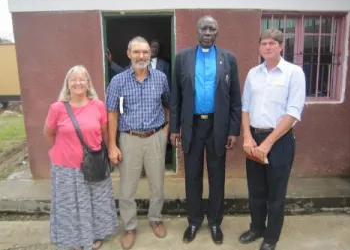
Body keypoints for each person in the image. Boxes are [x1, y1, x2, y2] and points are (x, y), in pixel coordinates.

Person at [169, 15, 242, 245]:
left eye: (212, 28)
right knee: (192, 176)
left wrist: (233, 130)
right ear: (196, 31)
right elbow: (176, 98)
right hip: (191, 125)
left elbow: (235, 99)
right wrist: (174, 128)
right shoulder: (182, 58)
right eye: (203, 28)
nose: (207, 32)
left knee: (216, 175)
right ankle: (193, 220)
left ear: (217, 32)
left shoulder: (228, 58)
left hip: (217, 126)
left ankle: (215, 222)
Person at [239, 29, 306, 250]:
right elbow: (245, 106)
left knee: (275, 194)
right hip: (254, 138)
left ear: (281, 47)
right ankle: (256, 227)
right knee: (256, 191)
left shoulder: (293, 73)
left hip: (280, 141)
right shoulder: (253, 73)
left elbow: (293, 112)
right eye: (264, 43)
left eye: (272, 43)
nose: (267, 47)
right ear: (259, 47)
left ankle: (270, 237)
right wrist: (248, 137)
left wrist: (268, 144)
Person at [43, 65, 117, 250]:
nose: (78, 83)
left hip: (94, 163)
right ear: (67, 84)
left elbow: (104, 132)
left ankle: (95, 236)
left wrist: (110, 151)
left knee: (96, 202)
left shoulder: (98, 106)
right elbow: (48, 134)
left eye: (82, 79)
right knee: (70, 206)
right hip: (66, 167)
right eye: (73, 79)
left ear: (88, 83)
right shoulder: (57, 108)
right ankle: (73, 239)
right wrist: (65, 150)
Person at [106, 36, 170, 250]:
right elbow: (112, 113)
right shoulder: (118, 81)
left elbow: (168, 104)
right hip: (129, 138)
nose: (141, 56)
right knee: (127, 188)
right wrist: (112, 145)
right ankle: (130, 226)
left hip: (155, 137)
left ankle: (156, 218)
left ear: (150, 54)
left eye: (145, 52)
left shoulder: (160, 78)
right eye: (136, 52)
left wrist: (166, 130)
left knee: (157, 185)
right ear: (128, 54)